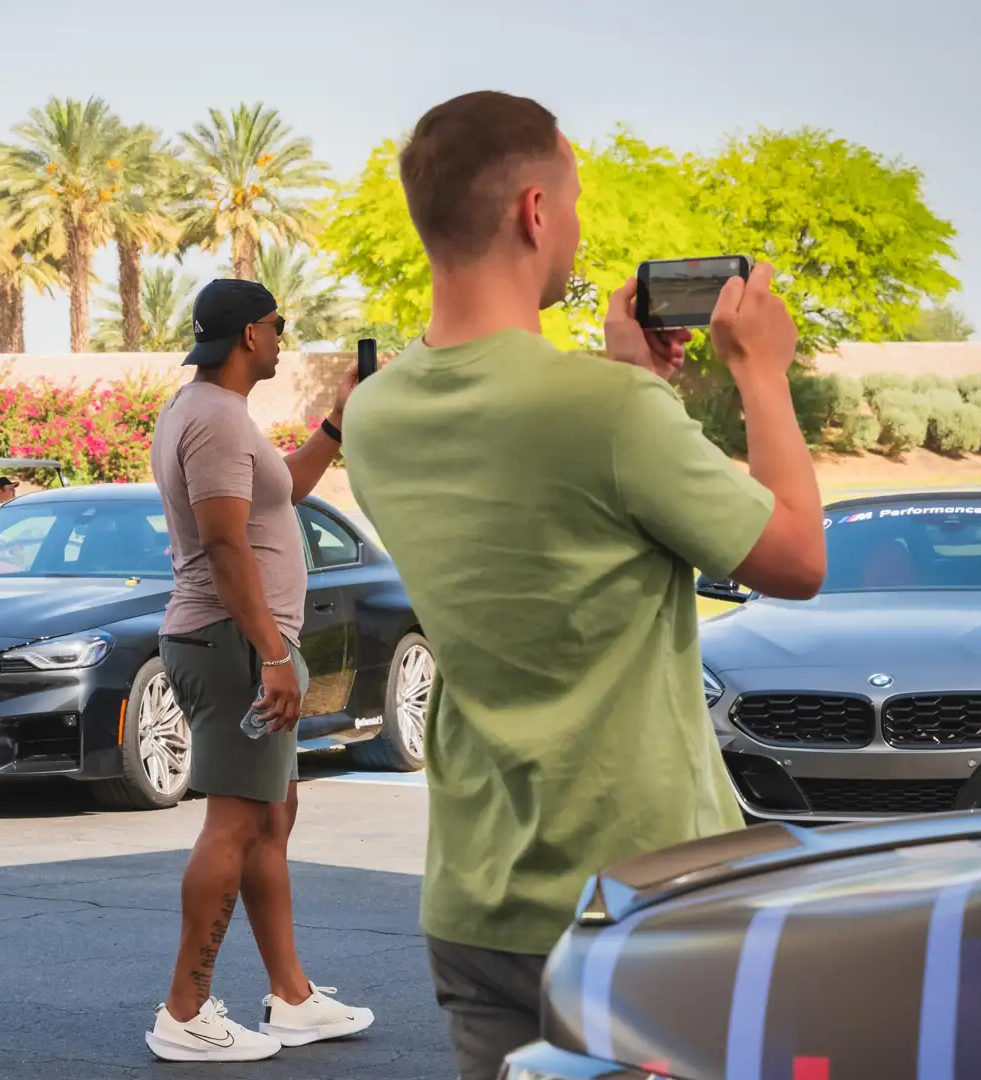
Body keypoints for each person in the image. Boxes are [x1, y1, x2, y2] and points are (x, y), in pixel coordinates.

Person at [339, 91, 825, 1080]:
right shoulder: (608, 412)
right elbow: (797, 560)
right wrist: (760, 376)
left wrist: (633, 385)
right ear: (532, 211)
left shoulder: (375, 418)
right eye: (573, 198)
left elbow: (537, 526)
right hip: (637, 899)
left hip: (474, 899)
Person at [144, 279, 374, 1063]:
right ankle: (184, 1011)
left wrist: (339, 419)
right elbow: (223, 543)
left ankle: (294, 998)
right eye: (278, 325)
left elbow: (284, 495)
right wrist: (273, 653)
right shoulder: (209, 417)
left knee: (272, 818)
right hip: (231, 643)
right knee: (237, 822)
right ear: (250, 334)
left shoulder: (216, 412)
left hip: (241, 641)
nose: (283, 337)